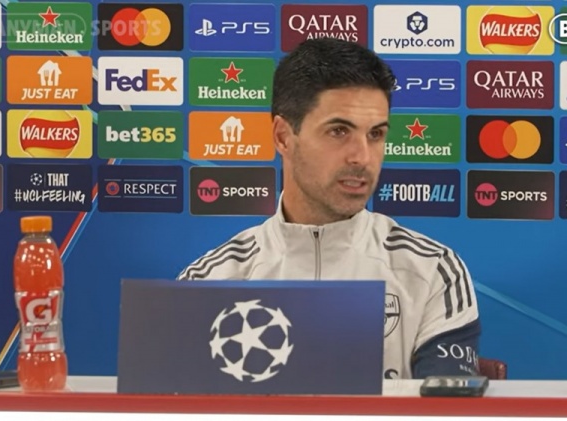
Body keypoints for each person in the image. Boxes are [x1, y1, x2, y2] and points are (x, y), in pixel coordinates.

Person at [177, 38, 481, 379]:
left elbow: (446, 406)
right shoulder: (209, 282)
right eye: (339, 131)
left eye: (376, 134)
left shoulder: (433, 271)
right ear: (283, 137)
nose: (362, 157)